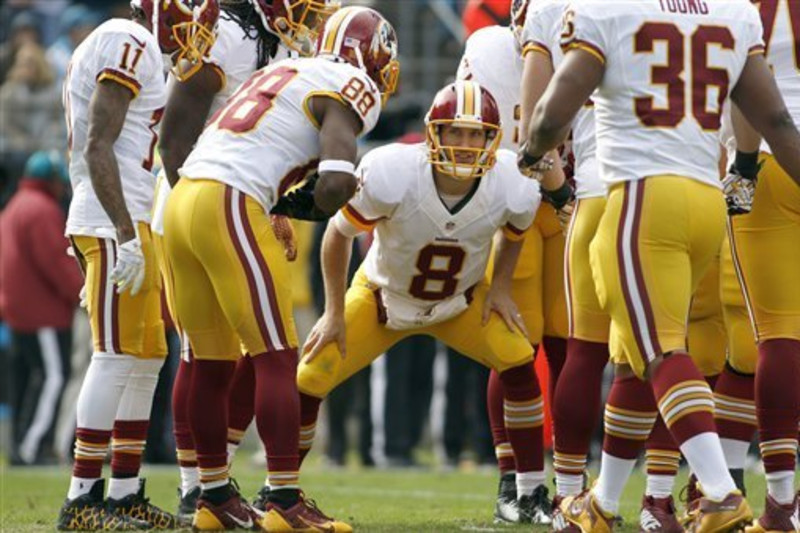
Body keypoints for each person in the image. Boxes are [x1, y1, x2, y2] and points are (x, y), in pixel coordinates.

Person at [521, 0, 800, 530]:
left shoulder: (606, 9)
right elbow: (776, 120)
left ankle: (719, 492)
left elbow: (553, 112)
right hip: (705, 201)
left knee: (662, 355)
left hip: (641, 197)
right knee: (638, 353)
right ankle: (602, 504)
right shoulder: (732, 10)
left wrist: (534, 151)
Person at [163, 6, 398, 531]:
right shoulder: (351, 81)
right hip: (231, 199)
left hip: (182, 200)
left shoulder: (281, 70)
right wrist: (299, 205)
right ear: (375, 54)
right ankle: (285, 503)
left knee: (207, 362)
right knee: (275, 358)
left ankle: (214, 498)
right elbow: (337, 180)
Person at [297, 79, 550, 524]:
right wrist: (334, 311)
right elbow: (336, 235)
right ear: (433, 132)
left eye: (476, 134)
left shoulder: (511, 180)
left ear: (493, 139)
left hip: (460, 303)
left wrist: (502, 287)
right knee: (311, 374)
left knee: (518, 358)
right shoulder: (394, 170)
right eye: (455, 131)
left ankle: (525, 491)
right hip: (383, 300)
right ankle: (279, 490)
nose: (466, 144)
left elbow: (516, 231)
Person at [153, 0, 338, 522]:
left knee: (242, 354)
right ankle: (199, 485)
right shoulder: (225, 35)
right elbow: (173, 141)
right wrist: (223, 210)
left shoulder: (279, 41)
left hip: (241, 196)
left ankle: (216, 481)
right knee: (218, 352)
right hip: (205, 192)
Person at [57, 0, 219, 530]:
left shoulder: (137, 43)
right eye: (187, 18)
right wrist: (122, 232)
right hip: (114, 220)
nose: (191, 34)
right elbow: (98, 144)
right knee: (115, 354)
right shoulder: (129, 39)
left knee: (147, 355)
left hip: (128, 214)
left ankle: (123, 491)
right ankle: (82, 500)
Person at [454, 0, 568, 522]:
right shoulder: (493, 47)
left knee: (571, 346)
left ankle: (566, 477)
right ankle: (515, 481)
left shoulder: (590, 38)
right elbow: (474, 132)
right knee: (514, 346)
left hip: (570, 200)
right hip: (514, 202)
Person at [724, 1, 800, 530]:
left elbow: (746, 95)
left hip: (773, 161)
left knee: (776, 336)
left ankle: (782, 501)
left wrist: (744, 164)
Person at [0, 151, 82, 466]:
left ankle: (20, 446)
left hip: (18, 311)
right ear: (50, 181)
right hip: (43, 313)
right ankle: (33, 447)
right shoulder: (42, 210)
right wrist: (83, 294)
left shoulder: (15, 206)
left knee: (27, 378)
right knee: (54, 377)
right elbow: (57, 264)